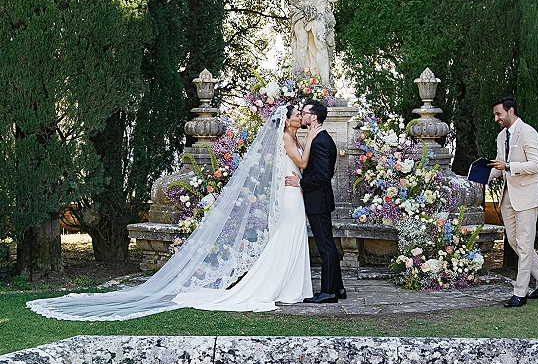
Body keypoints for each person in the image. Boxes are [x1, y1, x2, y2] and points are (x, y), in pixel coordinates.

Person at [27, 105, 318, 320]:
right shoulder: (288, 139)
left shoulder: (291, 138)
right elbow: (303, 164)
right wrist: (314, 138)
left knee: (289, 236)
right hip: (292, 194)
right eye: (296, 114)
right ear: (288, 120)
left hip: (293, 192)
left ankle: (290, 285)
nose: (299, 117)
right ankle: (285, 286)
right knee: (288, 235)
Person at [488, 97, 538, 308]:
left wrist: (508, 165)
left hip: (528, 194)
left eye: (499, 114)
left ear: (511, 111)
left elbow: (537, 165)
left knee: (525, 244)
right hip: (508, 195)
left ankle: (520, 293)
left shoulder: (528, 132)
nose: (496, 118)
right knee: (514, 242)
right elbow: (500, 166)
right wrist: (479, 178)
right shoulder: (501, 136)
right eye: (495, 115)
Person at [286, 99, 346, 303]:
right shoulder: (321, 138)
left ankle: (328, 292)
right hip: (319, 200)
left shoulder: (320, 141)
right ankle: (338, 288)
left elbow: (323, 175)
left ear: (314, 117)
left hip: (317, 200)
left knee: (325, 247)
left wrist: (300, 182)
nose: (301, 115)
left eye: (304, 113)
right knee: (328, 244)